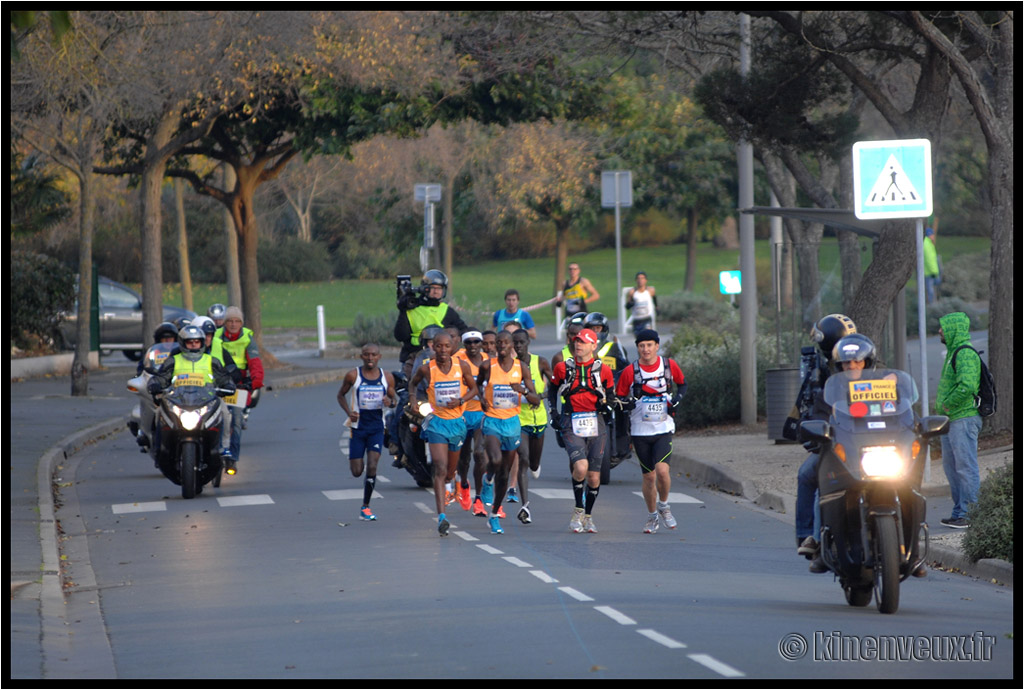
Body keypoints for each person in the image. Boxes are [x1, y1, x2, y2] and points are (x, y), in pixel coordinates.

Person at [793, 314, 857, 572]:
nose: (852, 365)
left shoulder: (883, 380)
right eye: (847, 362)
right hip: (839, 446)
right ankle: (812, 537)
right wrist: (819, 433)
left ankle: (912, 544)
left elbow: (902, 410)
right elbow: (818, 409)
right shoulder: (829, 379)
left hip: (875, 446)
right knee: (811, 474)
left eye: (857, 361)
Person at [614, 329, 687, 533]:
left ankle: (664, 505)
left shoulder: (668, 366)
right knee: (649, 477)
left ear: (657, 346)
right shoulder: (631, 371)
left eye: (649, 345)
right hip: (640, 430)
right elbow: (620, 398)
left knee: (662, 471)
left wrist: (677, 401)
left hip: (663, 428)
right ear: (637, 348)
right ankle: (652, 515)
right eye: (641, 346)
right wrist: (629, 403)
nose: (645, 349)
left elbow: (683, 385)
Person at [408, 331, 478, 536]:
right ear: (433, 347)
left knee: (448, 472)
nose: (443, 350)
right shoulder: (426, 368)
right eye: (439, 346)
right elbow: (412, 383)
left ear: (452, 347)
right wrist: (413, 400)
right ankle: (442, 517)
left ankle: (453, 479)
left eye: (447, 346)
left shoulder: (461, 366)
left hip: (457, 424)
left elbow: (474, 389)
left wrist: (462, 400)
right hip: (437, 422)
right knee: (439, 467)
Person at [548, 328, 615, 533]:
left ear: (594, 346)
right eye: (577, 341)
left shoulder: (603, 370)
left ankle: (588, 516)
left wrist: (608, 407)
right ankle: (578, 510)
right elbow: (552, 388)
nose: (578, 345)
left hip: (597, 422)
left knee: (594, 477)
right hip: (571, 421)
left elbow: (610, 394)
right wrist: (554, 411)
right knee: (580, 467)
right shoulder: (563, 368)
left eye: (584, 342)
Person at [477, 331, 539, 534]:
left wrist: (522, 391)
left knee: (504, 473)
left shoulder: (521, 368)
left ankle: (494, 515)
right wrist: (482, 399)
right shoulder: (487, 366)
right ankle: (487, 480)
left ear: (512, 345)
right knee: (494, 460)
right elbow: (477, 385)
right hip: (493, 420)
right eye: (498, 343)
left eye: (505, 342)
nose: (501, 345)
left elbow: (535, 400)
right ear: (494, 345)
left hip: (512, 424)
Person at [337, 343, 397, 522]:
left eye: (373, 355)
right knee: (357, 471)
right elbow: (340, 395)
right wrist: (349, 413)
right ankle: (365, 478)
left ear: (379, 357)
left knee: (373, 465)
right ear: (361, 356)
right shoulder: (353, 375)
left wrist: (390, 402)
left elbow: (394, 400)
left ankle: (366, 507)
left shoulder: (387, 377)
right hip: (358, 429)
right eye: (366, 355)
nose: (370, 358)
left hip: (376, 428)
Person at [936, 312, 982, 529]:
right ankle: (959, 512)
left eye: (943, 328)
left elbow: (968, 386)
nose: (939, 331)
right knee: (952, 469)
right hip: (952, 420)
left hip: (963, 418)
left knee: (965, 467)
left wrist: (948, 404)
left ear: (953, 329)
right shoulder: (953, 352)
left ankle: (972, 514)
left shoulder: (965, 353)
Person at [214, 306, 264, 475]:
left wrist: (255, 381)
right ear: (224, 322)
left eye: (237, 321)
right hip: (218, 383)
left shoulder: (247, 338)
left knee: (236, 420)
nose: (233, 324)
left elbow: (255, 362)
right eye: (230, 321)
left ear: (241, 323)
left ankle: (233, 458)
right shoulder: (215, 336)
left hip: (238, 385)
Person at [512, 328, 553, 524]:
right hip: (520, 419)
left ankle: (536, 465)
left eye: (522, 342)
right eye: (515, 343)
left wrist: (541, 397)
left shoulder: (540, 362)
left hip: (539, 420)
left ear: (528, 342)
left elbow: (555, 384)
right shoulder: (511, 367)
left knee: (534, 463)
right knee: (524, 459)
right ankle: (525, 506)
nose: (518, 346)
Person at [394, 269, 468, 366]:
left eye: (439, 288)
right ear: (424, 288)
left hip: (441, 358)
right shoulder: (411, 310)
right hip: (414, 356)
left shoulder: (446, 310)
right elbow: (400, 336)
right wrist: (403, 310)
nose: (436, 291)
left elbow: (463, 330)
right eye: (432, 288)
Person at [147, 325, 236, 398]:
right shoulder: (172, 361)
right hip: (177, 402)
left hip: (208, 402)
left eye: (197, 342)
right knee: (158, 413)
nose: (193, 345)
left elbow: (225, 379)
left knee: (225, 415)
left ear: (202, 343)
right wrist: (155, 384)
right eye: (190, 342)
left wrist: (229, 386)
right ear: (182, 343)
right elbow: (160, 378)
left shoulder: (212, 361)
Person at [454, 330, 488, 514]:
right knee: (464, 457)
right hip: (462, 413)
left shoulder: (487, 361)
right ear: (464, 344)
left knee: (480, 454)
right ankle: (464, 484)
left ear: (481, 344)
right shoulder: (458, 360)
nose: (473, 346)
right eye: (469, 343)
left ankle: (479, 498)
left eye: (476, 342)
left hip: (481, 415)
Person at [923, 228, 941, 304]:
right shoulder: (926, 244)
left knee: (933, 288)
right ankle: (932, 305)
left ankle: (934, 303)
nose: (933, 236)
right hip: (930, 272)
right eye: (932, 234)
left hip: (931, 271)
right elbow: (929, 259)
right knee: (930, 290)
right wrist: (933, 271)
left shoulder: (929, 243)